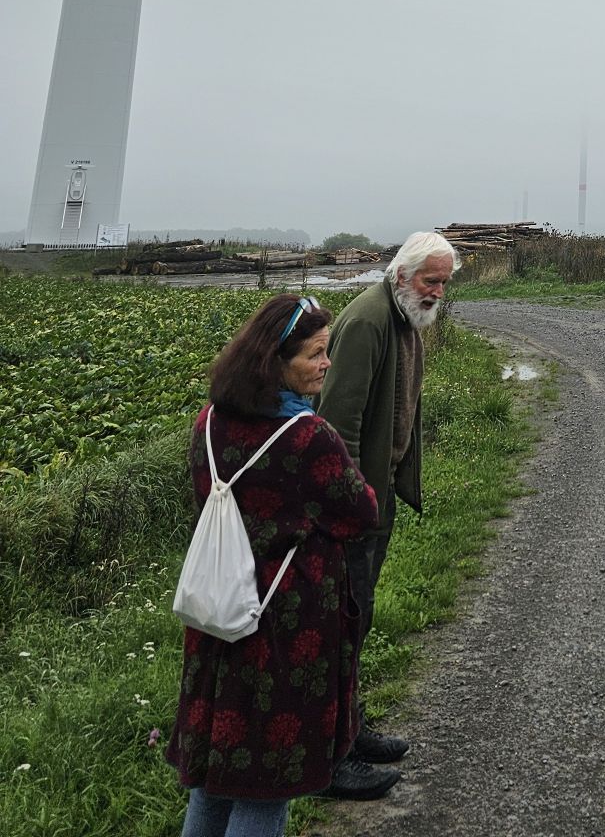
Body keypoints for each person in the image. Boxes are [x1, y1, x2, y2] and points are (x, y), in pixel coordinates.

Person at [167, 293, 380, 835]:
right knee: (266, 788)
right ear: (275, 362)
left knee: (214, 777)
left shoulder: (209, 423)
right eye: (315, 353)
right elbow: (361, 513)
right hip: (283, 630)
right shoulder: (307, 437)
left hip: (217, 620)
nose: (326, 364)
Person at [317, 229, 459, 799]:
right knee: (341, 628)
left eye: (445, 283)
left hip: (373, 502)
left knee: (358, 621)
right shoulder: (369, 321)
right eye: (431, 280)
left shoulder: (404, 319)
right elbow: (338, 425)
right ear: (402, 274)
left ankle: (349, 729)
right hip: (355, 508)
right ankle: (330, 759)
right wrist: (352, 505)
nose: (437, 293)